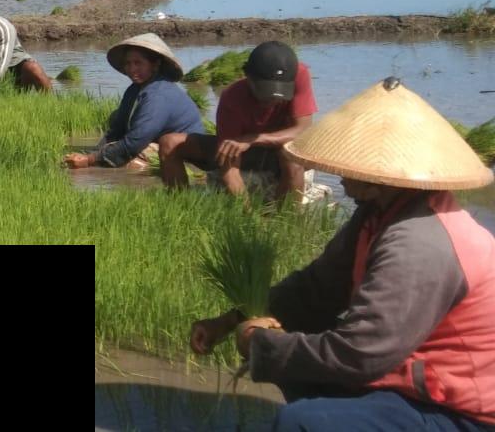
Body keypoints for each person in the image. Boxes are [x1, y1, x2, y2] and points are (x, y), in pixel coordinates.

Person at [188, 77, 495, 431]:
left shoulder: (419, 242)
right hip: (411, 379)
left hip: (463, 412)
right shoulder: (379, 215)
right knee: (297, 347)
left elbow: (361, 353)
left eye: (346, 166)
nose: (338, 174)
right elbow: (315, 290)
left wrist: (263, 345)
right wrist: (229, 322)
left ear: (377, 175)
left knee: (301, 423)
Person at [157, 41, 316, 199]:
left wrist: (252, 139)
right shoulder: (232, 98)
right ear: (248, 77)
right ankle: (181, 203)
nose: (272, 100)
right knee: (170, 143)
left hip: (279, 151)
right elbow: (229, 168)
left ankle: (289, 218)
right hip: (247, 154)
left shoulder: (298, 73)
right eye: (265, 93)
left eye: (278, 94)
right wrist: (248, 216)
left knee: (290, 154)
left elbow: (303, 129)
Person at [64, 33, 204, 170]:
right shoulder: (134, 89)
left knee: (130, 166)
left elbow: (135, 142)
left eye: (138, 63)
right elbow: (117, 130)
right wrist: (92, 153)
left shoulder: (159, 94)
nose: (132, 69)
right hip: (154, 141)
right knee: (115, 117)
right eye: (128, 63)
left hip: (183, 154)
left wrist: (90, 160)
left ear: (155, 64)